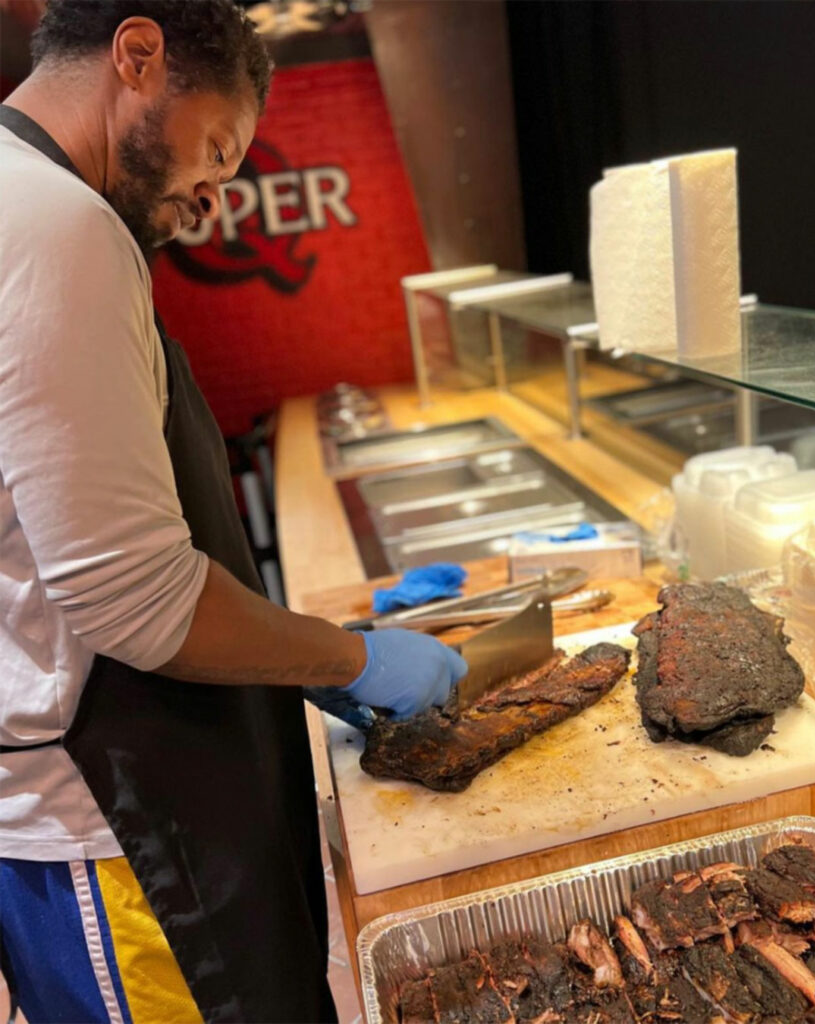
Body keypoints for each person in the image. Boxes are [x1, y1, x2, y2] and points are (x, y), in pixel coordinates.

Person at [0, 3, 467, 1021]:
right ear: (136, 54)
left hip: (118, 802)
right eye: (217, 151)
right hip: (118, 827)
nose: (212, 197)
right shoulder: (52, 224)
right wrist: (347, 657)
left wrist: (300, 649)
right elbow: (134, 600)